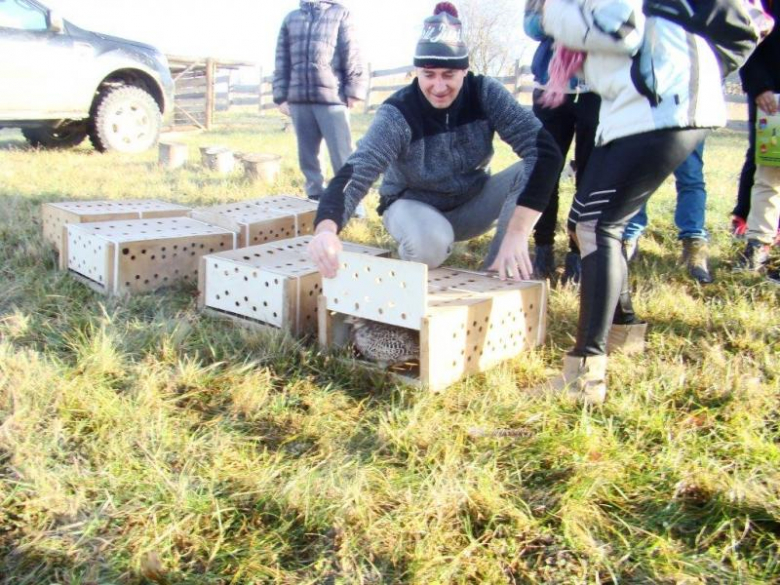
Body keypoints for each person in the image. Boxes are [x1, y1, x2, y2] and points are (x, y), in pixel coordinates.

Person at [542, 0, 727, 403]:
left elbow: (623, 29)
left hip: (661, 107)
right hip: (637, 110)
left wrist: (552, 15)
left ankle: (585, 375)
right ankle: (624, 331)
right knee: (583, 224)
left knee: (596, 228)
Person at [308, 3, 563, 283]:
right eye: (429, 75)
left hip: (471, 204)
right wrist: (326, 229)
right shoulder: (398, 113)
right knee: (429, 247)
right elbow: (356, 172)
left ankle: (496, 272)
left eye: (448, 75)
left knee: (535, 166)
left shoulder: (486, 93)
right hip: (412, 207)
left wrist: (517, 232)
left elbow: (545, 151)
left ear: (464, 70)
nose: (439, 87)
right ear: (416, 71)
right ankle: (420, 263)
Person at [524, 0, 600, 284]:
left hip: (597, 87)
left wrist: (566, 22)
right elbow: (531, 25)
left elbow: (614, 27)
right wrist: (571, 19)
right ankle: (543, 249)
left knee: (589, 175)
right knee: (544, 171)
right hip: (551, 84)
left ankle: (578, 254)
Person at [273, 0, 367, 202]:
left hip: (332, 98)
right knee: (308, 156)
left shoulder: (341, 14)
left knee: (342, 154)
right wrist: (281, 96)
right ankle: (315, 197)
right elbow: (281, 60)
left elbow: (352, 52)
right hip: (299, 99)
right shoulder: (291, 18)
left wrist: (354, 89)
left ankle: (350, 201)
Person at [621, 140, 714, 283]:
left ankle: (694, 245)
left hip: (689, 121)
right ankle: (629, 239)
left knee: (691, 176)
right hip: (647, 120)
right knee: (637, 173)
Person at [733, 0, 780, 270]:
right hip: (773, 100)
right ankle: (758, 244)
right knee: (769, 173)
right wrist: (760, 86)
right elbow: (748, 39)